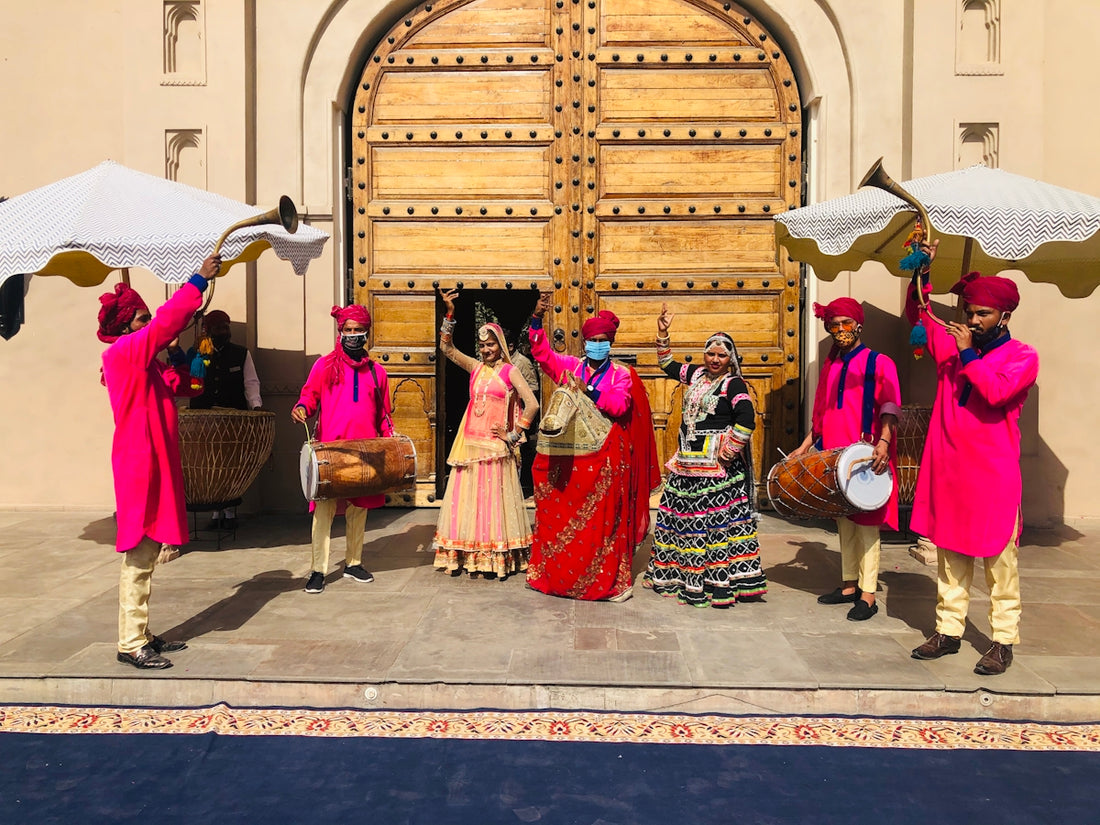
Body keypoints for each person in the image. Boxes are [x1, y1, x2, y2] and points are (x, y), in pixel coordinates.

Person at [907, 249, 1038, 675]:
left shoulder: (1023, 356)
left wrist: (967, 354)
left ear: (1003, 316)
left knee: (1001, 565)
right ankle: (948, 630)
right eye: (969, 311)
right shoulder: (953, 344)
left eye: (982, 313)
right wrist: (921, 272)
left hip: (993, 475)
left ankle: (1002, 641)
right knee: (950, 557)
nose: (973, 319)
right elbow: (921, 315)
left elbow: (996, 393)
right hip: (950, 471)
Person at [99, 253, 221, 670]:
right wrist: (196, 281)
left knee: (150, 550)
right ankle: (131, 641)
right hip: (139, 462)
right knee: (139, 548)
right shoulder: (125, 354)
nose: (148, 324)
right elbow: (167, 322)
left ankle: (142, 631)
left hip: (156, 458)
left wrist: (189, 359)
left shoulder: (145, 360)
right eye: (141, 319)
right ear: (124, 327)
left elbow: (187, 385)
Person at [526, 294, 661, 601]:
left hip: (605, 459)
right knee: (563, 513)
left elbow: (619, 404)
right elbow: (543, 354)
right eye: (592, 340)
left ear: (609, 343)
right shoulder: (571, 366)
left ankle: (606, 581)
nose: (597, 345)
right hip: (572, 455)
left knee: (604, 522)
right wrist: (536, 320)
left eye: (603, 340)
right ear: (585, 342)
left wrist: (590, 390)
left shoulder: (620, 375)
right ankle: (559, 575)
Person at [643, 305, 767, 607]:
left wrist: (728, 453)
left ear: (730, 359)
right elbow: (668, 364)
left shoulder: (733, 383)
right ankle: (678, 576)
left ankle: (714, 582)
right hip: (687, 464)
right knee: (680, 521)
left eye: (721, 355)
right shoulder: (696, 374)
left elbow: (747, 419)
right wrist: (663, 332)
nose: (714, 359)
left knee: (712, 526)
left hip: (717, 470)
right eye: (710, 353)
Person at [789, 297, 901, 622]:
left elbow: (890, 406)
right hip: (835, 455)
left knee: (866, 525)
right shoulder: (833, 365)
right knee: (844, 522)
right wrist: (805, 446)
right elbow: (823, 414)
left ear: (858, 325)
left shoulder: (880, 362)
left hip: (867, 455)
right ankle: (849, 585)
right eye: (833, 325)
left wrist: (884, 441)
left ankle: (868, 594)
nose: (839, 330)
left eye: (845, 323)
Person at [432, 290, 538, 579]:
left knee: (492, 503)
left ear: (500, 345)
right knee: (469, 501)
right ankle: (468, 555)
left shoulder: (510, 371)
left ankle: (494, 558)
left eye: (490, 345)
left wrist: (514, 435)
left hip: (495, 446)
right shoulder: (476, 368)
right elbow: (448, 350)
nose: (485, 350)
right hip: (469, 444)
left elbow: (533, 403)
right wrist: (450, 315)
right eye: (482, 345)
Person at [291, 304, 394, 594]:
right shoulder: (324, 366)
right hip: (331, 452)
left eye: (357, 330)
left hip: (365, 451)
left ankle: (353, 562)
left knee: (358, 509)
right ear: (340, 332)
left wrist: (389, 439)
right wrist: (301, 407)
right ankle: (318, 570)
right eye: (347, 330)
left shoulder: (377, 372)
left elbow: (384, 414)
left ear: (366, 333)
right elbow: (309, 396)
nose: (352, 335)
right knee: (323, 510)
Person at [190, 309, 263, 530]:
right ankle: (215, 513)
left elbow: (251, 382)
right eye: (218, 328)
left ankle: (230, 513)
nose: (223, 331)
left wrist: (256, 406)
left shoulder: (241, 353)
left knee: (231, 463)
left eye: (225, 327)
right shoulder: (197, 353)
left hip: (233, 418)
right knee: (208, 464)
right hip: (203, 418)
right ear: (209, 330)